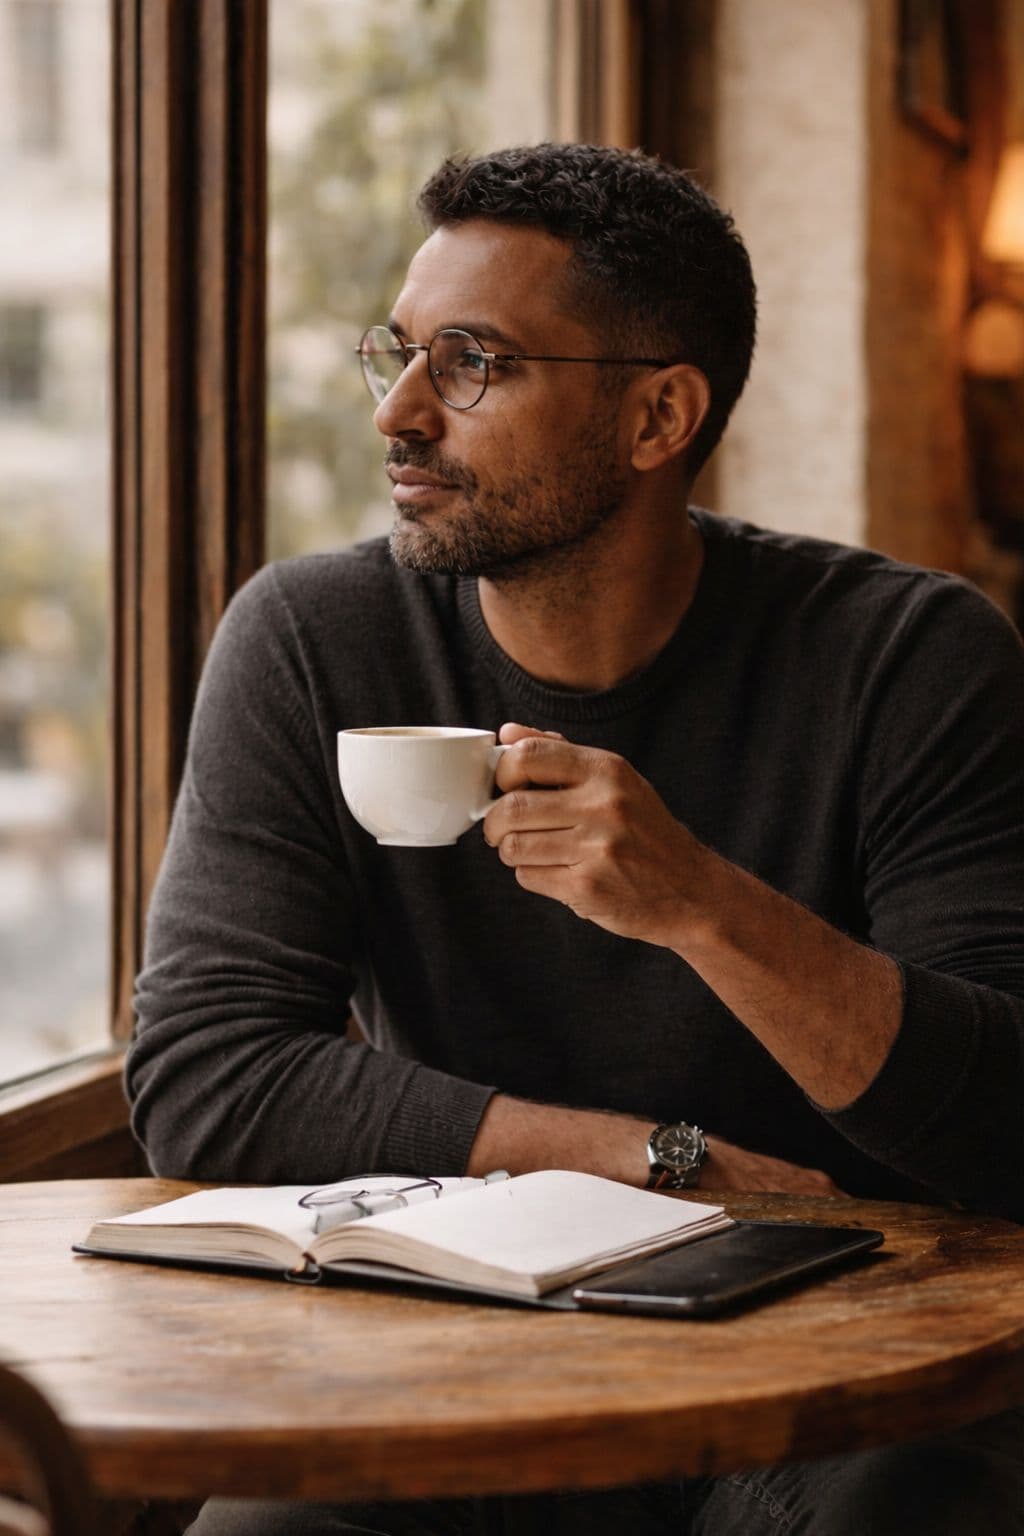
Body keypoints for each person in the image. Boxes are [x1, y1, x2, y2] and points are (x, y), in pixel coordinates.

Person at [126, 143, 1024, 1534]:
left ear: (660, 415)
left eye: (473, 363)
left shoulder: (910, 658)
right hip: (455, 1338)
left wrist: (703, 905)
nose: (401, 417)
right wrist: (640, 1155)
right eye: (399, 354)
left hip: (833, 1340)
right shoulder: (312, 640)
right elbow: (205, 1070)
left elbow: (1005, 1117)